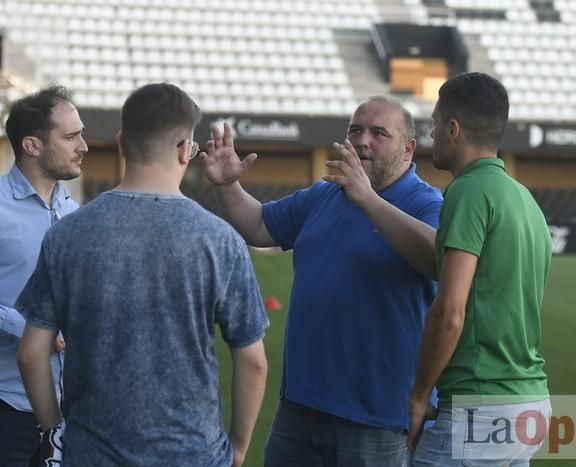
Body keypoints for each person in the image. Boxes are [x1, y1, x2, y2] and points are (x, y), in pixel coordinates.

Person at [16, 83, 269, 467]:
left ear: (121, 143)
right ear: (186, 150)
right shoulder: (219, 240)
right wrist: (237, 447)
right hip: (193, 453)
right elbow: (252, 361)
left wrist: (55, 430)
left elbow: (32, 354)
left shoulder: (66, 235)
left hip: (90, 453)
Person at [202, 95, 443, 467]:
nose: (363, 140)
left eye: (379, 133)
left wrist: (367, 199)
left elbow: (436, 259)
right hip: (300, 406)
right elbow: (259, 224)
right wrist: (228, 186)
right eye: (356, 130)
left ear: (408, 148)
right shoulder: (324, 195)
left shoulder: (426, 202)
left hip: (376, 417)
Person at [329, 73, 552, 466]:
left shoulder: (467, 192)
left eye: (434, 124)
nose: (431, 133)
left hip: (478, 406)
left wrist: (418, 396)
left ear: (453, 129)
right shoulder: (524, 200)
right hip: (529, 403)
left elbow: (450, 312)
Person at [0, 85, 86, 467]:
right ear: (32, 146)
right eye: (70, 136)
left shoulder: (77, 214)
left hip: (73, 413)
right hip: (8, 407)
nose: (83, 145)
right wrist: (28, 327)